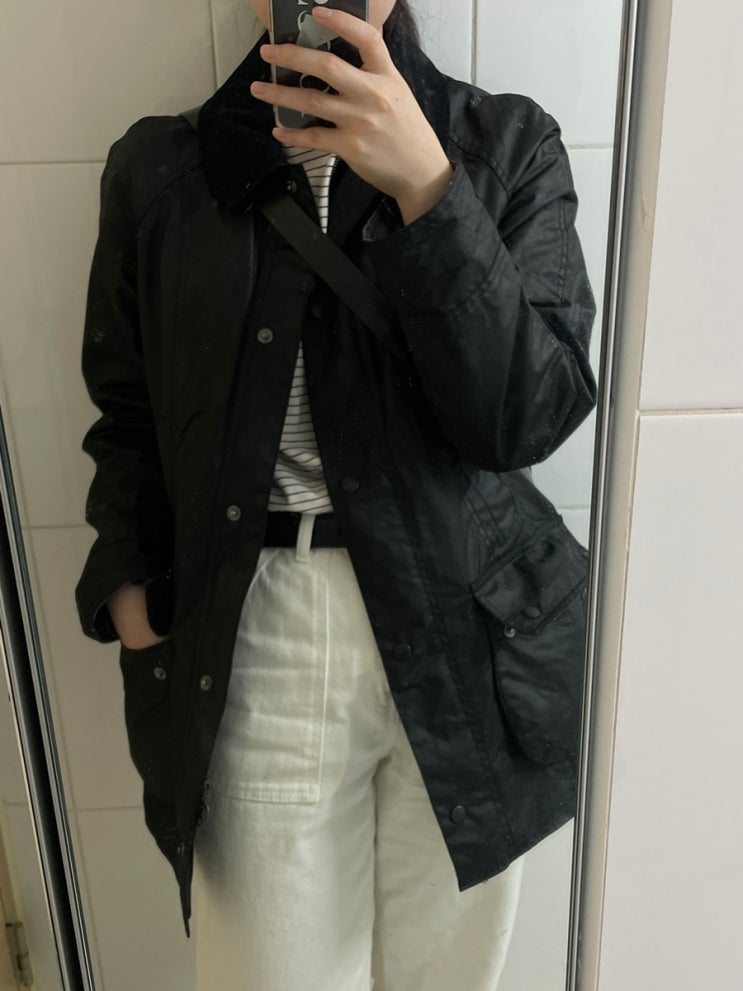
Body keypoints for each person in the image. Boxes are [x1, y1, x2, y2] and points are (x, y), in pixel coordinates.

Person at [75, 2, 598, 989]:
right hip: (258, 627)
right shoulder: (160, 170)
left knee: (450, 976)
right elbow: (127, 409)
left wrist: (430, 192)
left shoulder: (504, 146)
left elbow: (527, 418)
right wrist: (135, 595)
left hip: (469, 628)